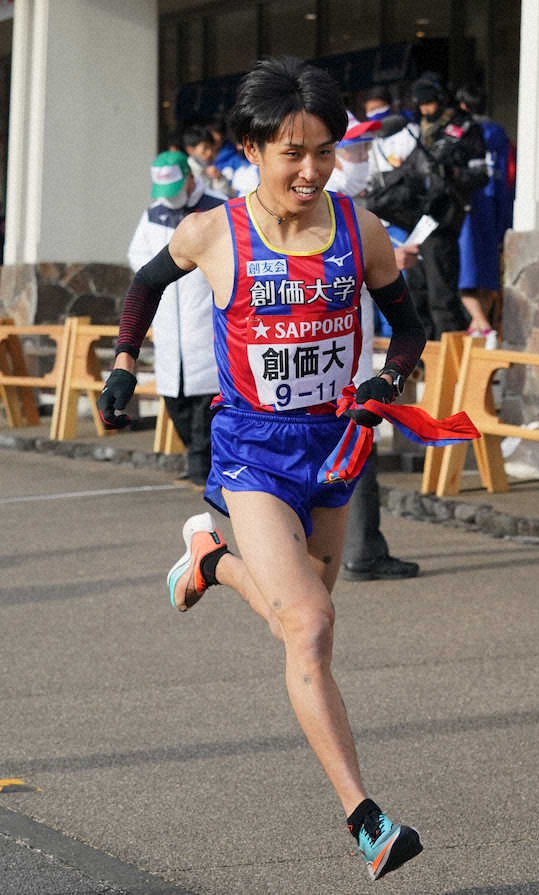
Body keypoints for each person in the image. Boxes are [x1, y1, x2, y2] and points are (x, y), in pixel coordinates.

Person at [96, 57, 426, 881]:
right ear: (251, 149)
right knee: (310, 625)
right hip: (253, 453)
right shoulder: (213, 232)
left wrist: (386, 382)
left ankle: (210, 561)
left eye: (325, 152)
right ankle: (367, 818)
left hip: (336, 449)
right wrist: (124, 363)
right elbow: (144, 284)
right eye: (292, 153)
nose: (311, 171)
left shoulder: (361, 230)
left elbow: (411, 329)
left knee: (300, 621)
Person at [324, 112, 420, 581]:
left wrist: (388, 261)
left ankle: (351, 548)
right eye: (353, 149)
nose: (363, 157)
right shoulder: (335, 209)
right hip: (339, 359)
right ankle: (359, 551)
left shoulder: (348, 207)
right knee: (356, 451)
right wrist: (385, 261)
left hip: (333, 358)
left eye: (365, 149)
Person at [127, 151, 225, 488]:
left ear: (190, 178)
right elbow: (138, 259)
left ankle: (203, 470)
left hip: (206, 318)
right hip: (170, 321)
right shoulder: (153, 215)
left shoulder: (217, 207)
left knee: (207, 403)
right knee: (175, 399)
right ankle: (197, 463)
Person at [367, 73, 488, 339]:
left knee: (441, 297)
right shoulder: (419, 129)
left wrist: (451, 173)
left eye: (429, 103)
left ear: (441, 99)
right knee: (416, 295)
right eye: (420, 104)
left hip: (444, 219)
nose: (424, 110)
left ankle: (450, 358)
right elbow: (413, 168)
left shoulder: (466, 128)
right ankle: (422, 356)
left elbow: (481, 175)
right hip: (417, 220)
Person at [454, 84, 515, 347]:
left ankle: (484, 327)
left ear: (462, 105)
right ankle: (478, 328)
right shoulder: (500, 135)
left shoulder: (462, 132)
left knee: (464, 271)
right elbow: (509, 175)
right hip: (496, 206)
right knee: (488, 271)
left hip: (469, 206)